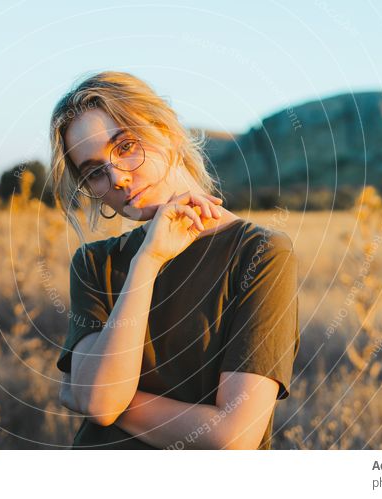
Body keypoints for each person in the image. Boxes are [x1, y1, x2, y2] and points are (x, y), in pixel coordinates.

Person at [49, 71, 299, 449]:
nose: (116, 177)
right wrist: (147, 261)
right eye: (95, 172)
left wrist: (95, 395)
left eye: (126, 146)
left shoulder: (259, 253)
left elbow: (233, 437)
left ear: (166, 130)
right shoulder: (94, 263)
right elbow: (100, 404)